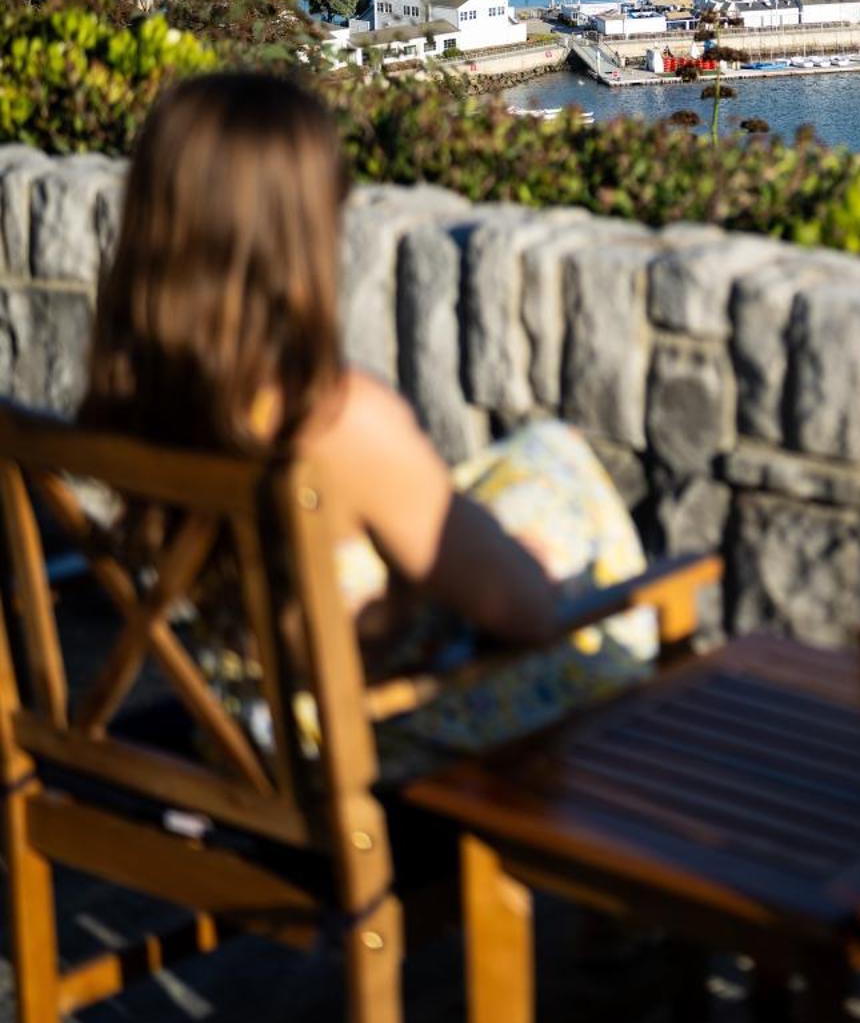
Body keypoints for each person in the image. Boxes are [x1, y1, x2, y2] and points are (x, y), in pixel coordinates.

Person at [81, 70, 655, 772]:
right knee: (562, 484)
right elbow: (528, 615)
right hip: (357, 753)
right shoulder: (336, 423)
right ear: (300, 236)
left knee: (530, 457)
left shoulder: (130, 396)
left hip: (231, 726)